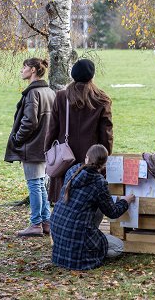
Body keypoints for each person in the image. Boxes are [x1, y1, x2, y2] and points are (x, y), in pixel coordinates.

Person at [50, 144, 135, 270]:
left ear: (86, 158)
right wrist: (126, 201)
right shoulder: (98, 182)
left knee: (96, 209)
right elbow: (113, 212)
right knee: (118, 247)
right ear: (104, 164)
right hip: (77, 237)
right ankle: (88, 251)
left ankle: (87, 242)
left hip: (58, 228)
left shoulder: (73, 170)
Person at [44, 59, 113, 203]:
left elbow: (52, 128)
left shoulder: (62, 97)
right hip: (91, 159)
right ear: (91, 76)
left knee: (65, 198)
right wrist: (105, 155)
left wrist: (48, 151)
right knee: (88, 200)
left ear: (73, 75)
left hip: (65, 158)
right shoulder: (102, 99)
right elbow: (106, 133)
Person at [4, 58, 56, 237]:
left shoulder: (33, 93)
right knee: (40, 183)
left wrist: (17, 139)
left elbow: (29, 121)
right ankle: (45, 221)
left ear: (33, 70)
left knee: (35, 184)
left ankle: (35, 224)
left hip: (33, 146)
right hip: (45, 146)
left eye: (24, 67)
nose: (21, 70)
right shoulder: (49, 91)